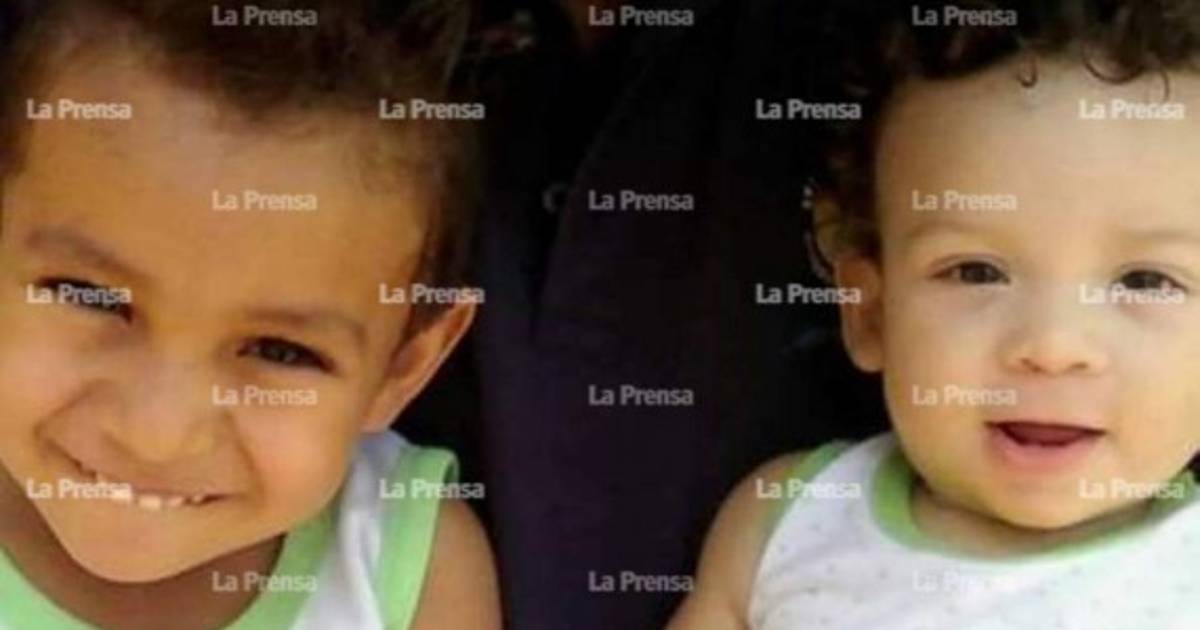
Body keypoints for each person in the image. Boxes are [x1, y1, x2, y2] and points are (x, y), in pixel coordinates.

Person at [673, 1, 1200, 628]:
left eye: (1147, 281)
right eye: (975, 272)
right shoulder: (789, 522)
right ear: (871, 314)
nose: (1053, 346)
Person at [0, 1, 499, 628]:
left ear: (403, 367)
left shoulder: (399, 562)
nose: (156, 434)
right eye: (89, 296)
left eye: (279, 351)